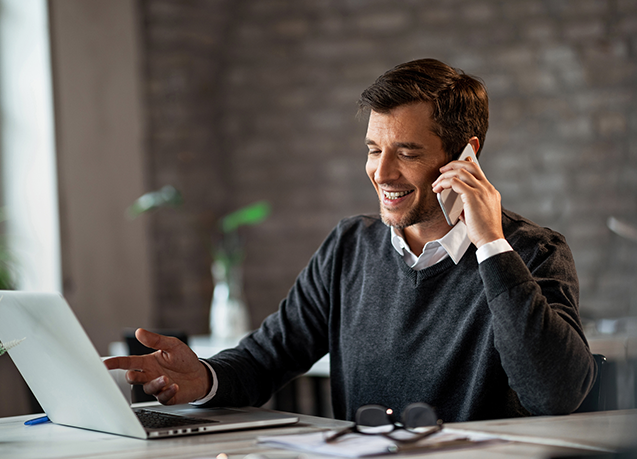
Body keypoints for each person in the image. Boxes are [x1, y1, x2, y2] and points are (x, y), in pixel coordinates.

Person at [105, 58, 596, 423]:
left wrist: (490, 243)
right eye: (373, 149)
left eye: (405, 152)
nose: (381, 172)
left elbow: (554, 395)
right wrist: (204, 379)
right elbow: (265, 358)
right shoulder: (348, 247)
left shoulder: (531, 252)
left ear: (467, 155)